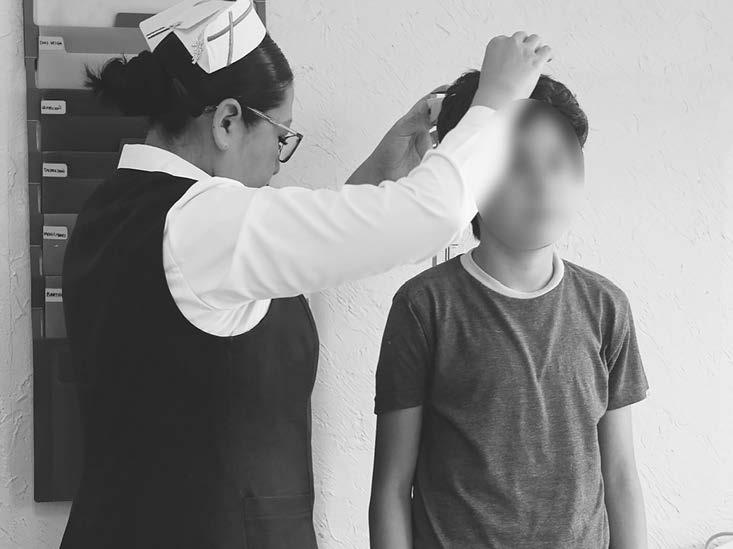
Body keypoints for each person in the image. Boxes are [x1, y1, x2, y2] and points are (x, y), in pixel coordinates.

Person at [59, 0, 553, 546]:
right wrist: (497, 102)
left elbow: (272, 270)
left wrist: (378, 176)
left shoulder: (118, 211)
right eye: (281, 135)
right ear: (226, 121)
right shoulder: (201, 220)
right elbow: (432, 215)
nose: (279, 160)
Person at [370, 71, 649, 549]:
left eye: (558, 162)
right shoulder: (425, 307)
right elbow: (392, 487)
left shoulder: (606, 307)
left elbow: (620, 475)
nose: (542, 183)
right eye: (517, 164)